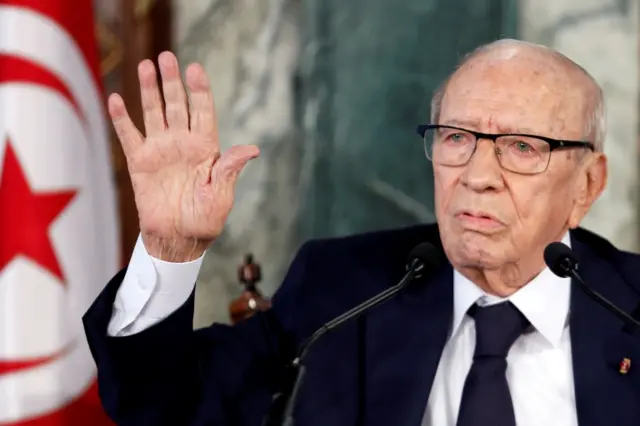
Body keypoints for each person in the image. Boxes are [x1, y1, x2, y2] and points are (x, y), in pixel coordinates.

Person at [83, 38, 640, 426]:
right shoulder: (342, 291)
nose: (476, 176)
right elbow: (164, 406)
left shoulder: (627, 311)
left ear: (588, 185)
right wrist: (169, 249)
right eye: (455, 137)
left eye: (522, 147)